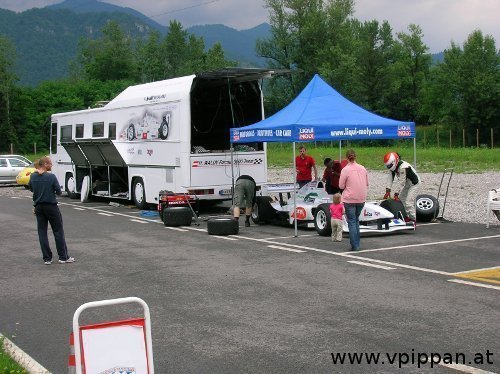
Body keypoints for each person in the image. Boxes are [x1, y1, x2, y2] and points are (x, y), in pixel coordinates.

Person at [29, 156, 74, 265]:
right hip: (51, 206)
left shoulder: (33, 176)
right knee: (58, 231)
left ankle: (47, 258)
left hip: (38, 207)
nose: (51, 165)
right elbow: (59, 192)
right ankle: (63, 257)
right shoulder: (51, 177)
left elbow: (31, 189)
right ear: (44, 164)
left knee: (42, 232)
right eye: (50, 163)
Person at [339, 149, 368, 251]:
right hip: (361, 198)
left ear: (347, 158)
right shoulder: (363, 168)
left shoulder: (345, 170)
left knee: (351, 221)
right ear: (356, 156)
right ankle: (357, 243)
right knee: (356, 220)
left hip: (349, 198)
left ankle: (355, 245)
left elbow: (341, 186)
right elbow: (367, 183)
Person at [383, 152, 421, 223]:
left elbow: (401, 181)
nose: (389, 167)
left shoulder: (403, 167)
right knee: (401, 201)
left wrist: (396, 193)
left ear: (394, 161)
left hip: (414, 184)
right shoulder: (392, 167)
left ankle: (413, 220)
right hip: (407, 184)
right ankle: (406, 217)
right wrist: (388, 190)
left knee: (408, 202)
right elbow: (390, 178)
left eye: (390, 165)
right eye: (387, 166)